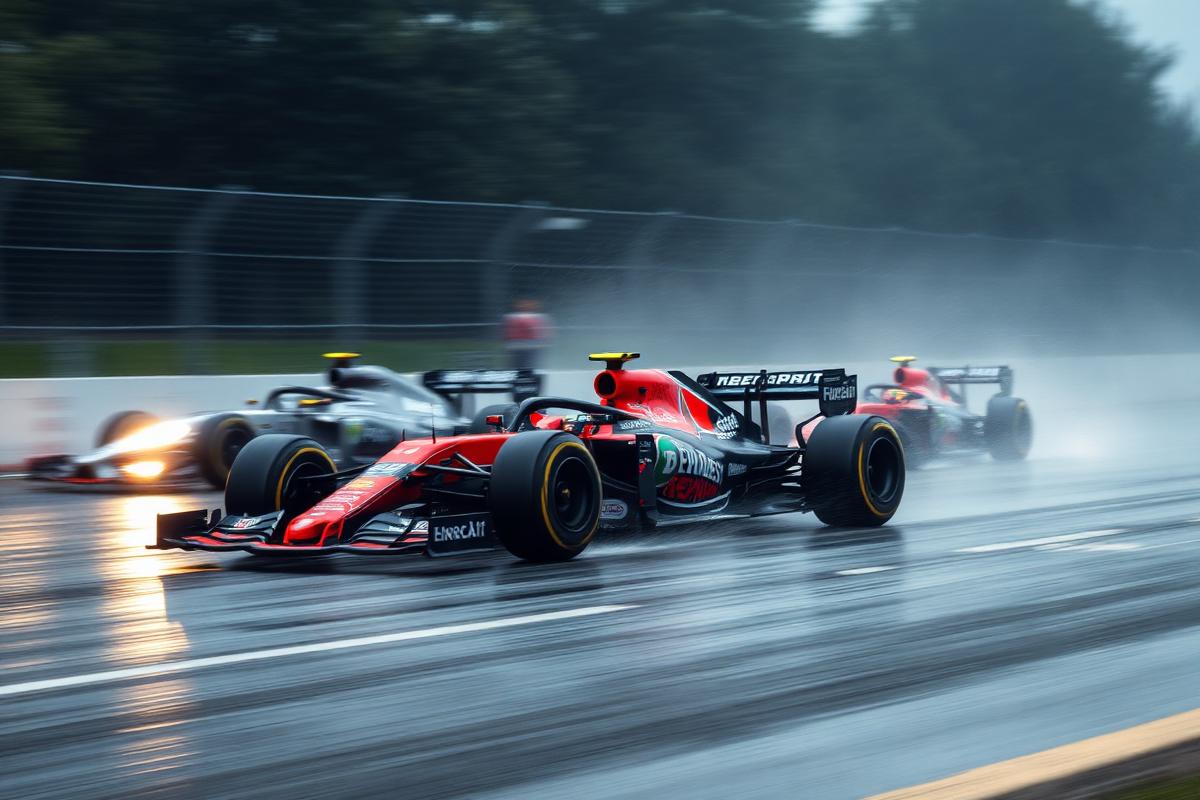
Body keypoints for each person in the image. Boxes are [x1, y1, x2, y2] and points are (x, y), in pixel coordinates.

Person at [502, 298, 551, 371]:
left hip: (532, 345)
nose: (526, 306)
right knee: (518, 364)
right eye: (523, 304)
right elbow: (506, 331)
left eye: (528, 304)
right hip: (517, 345)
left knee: (532, 364)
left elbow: (545, 331)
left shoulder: (541, 317)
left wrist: (545, 341)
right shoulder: (510, 317)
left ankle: (529, 377)